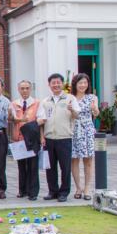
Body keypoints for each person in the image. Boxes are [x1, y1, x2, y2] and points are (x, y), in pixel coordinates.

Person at [38, 73, 80, 203]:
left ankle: (64, 192)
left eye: (58, 82)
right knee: (50, 167)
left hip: (64, 138)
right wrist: (42, 137)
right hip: (49, 138)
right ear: (49, 85)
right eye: (53, 83)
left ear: (62, 84)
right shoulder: (45, 101)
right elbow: (41, 120)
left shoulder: (70, 98)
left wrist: (72, 110)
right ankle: (53, 191)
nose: (56, 85)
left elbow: (76, 115)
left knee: (65, 167)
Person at [10, 80, 41, 200]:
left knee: (33, 166)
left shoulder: (37, 103)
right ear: (18, 89)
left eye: (27, 88)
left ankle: (33, 192)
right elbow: (12, 120)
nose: (24, 91)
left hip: (32, 138)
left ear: (31, 89)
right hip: (19, 138)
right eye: (22, 88)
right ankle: (22, 190)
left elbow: (41, 120)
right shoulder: (14, 104)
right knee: (21, 166)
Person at [70, 73, 99, 201]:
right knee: (74, 159)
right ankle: (78, 187)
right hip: (74, 130)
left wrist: (94, 110)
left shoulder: (92, 97)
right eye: (80, 83)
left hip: (87, 129)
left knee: (88, 160)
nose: (83, 85)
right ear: (75, 84)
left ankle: (87, 188)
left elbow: (96, 114)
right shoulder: (70, 98)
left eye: (85, 83)